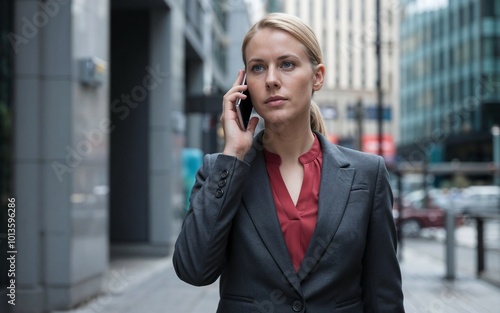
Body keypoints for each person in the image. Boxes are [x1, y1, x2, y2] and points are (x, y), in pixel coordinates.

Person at [173, 12, 405, 312]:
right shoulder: (220, 170)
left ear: (317, 76)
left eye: (287, 64)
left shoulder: (367, 174)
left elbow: (383, 294)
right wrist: (233, 154)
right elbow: (193, 269)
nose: (271, 80)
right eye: (258, 68)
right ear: (244, 86)